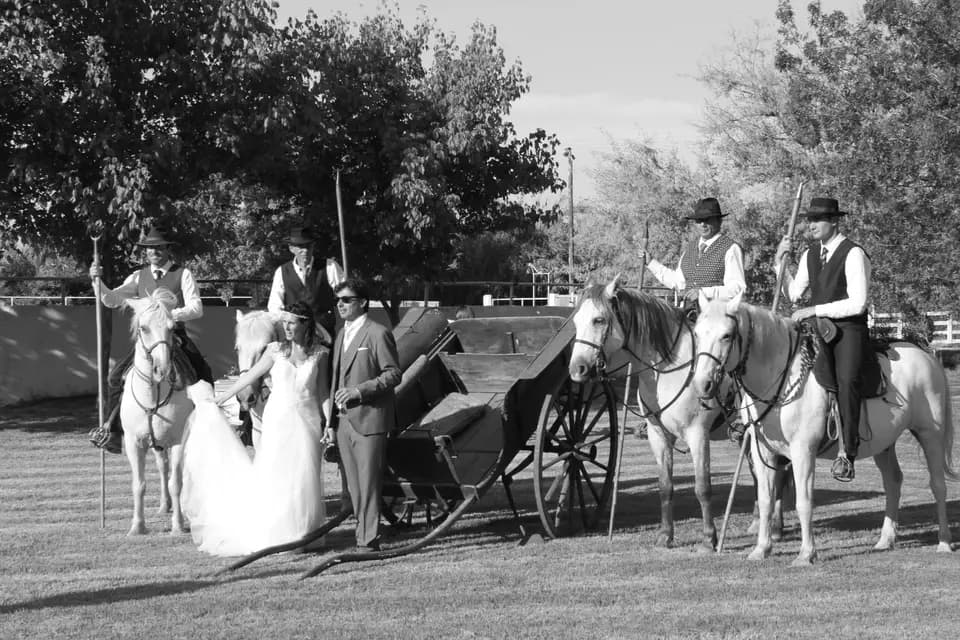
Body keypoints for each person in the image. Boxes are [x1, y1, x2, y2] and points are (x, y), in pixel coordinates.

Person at [181, 300, 332, 556]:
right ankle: (278, 532)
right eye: (284, 323)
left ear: (305, 325)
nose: (286, 327)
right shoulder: (274, 350)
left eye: (291, 323)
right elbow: (249, 377)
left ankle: (303, 533)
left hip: (308, 421)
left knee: (304, 478)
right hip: (279, 419)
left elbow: (323, 392)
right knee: (277, 474)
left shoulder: (320, 354)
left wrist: (329, 422)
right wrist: (220, 398)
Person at [88, 227, 213, 454]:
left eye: (158, 247)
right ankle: (113, 432)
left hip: (174, 335)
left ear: (167, 249)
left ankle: (210, 425)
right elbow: (113, 299)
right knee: (116, 377)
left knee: (203, 372)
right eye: (149, 249)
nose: (153, 252)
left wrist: (168, 316)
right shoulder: (138, 276)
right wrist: (97, 282)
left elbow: (196, 308)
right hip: (146, 341)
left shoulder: (183, 273)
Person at [775, 197, 871, 482]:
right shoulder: (810, 254)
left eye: (817, 220)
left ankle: (847, 453)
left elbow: (858, 303)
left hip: (848, 331)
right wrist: (780, 263)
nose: (811, 225)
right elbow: (793, 294)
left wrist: (813, 309)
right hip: (817, 330)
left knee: (847, 381)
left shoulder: (853, 254)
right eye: (808, 220)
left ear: (834, 221)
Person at [330, 278, 401, 552]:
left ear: (362, 303)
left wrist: (360, 391)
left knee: (369, 483)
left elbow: (394, 373)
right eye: (338, 300)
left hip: (370, 419)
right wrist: (331, 423)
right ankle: (361, 534)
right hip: (344, 421)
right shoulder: (340, 335)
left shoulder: (377, 333)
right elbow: (336, 378)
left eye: (347, 300)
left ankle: (368, 540)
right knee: (354, 487)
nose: (340, 305)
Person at [645, 197, 747, 311]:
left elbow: (737, 289)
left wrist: (704, 293)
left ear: (719, 221)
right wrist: (650, 263)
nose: (703, 224)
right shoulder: (690, 248)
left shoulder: (731, 249)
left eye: (708, 219)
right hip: (687, 315)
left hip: (715, 316)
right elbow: (678, 282)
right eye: (699, 220)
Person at [267, 225, 344, 344]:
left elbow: (345, 295)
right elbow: (274, 307)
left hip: (324, 338)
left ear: (313, 246)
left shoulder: (330, 267)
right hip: (294, 341)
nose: (305, 250)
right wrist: (292, 320)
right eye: (300, 247)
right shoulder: (281, 272)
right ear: (291, 248)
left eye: (309, 246)